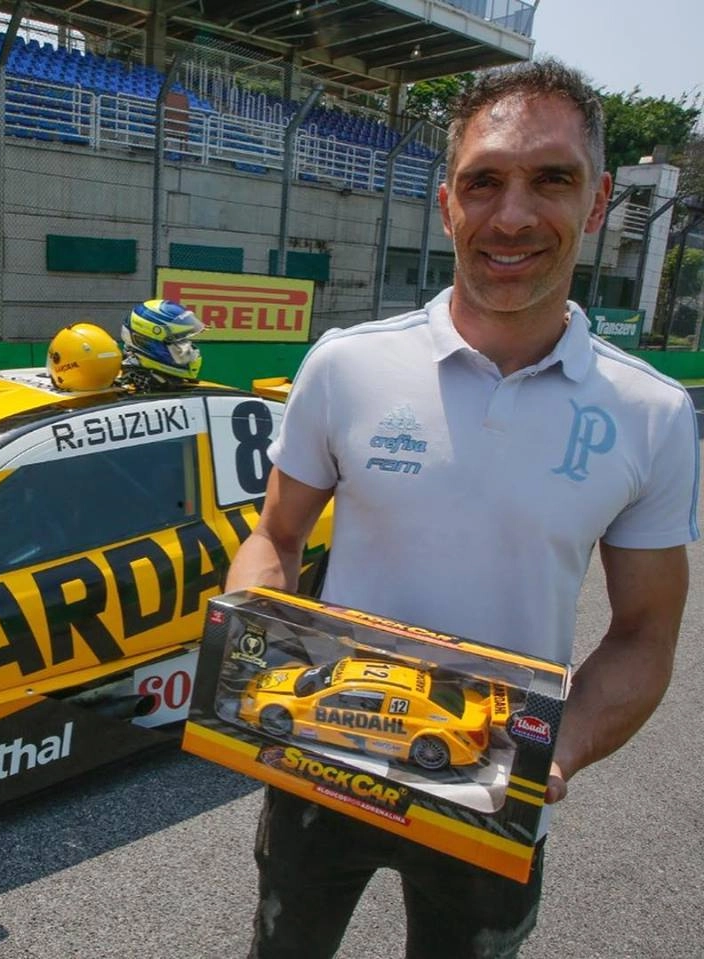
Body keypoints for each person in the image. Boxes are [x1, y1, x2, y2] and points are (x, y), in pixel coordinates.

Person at [224, 58, 700, 959]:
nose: (512, 216)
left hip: (492, 792)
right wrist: (251, 647)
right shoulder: (346, 365)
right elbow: (274, 538)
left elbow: (644, 635)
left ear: (597, 204)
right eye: (485, 181)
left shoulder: (652, 414)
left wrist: (556, 753)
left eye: (551, 179)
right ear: (448, 203)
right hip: (325, 764)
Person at [118, 298, 204, 392]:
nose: (187, 348)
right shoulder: (126, 390)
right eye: (177, 340)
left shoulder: (167, 384)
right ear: (144, 342)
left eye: (184, 339)